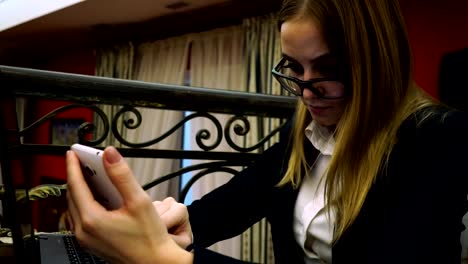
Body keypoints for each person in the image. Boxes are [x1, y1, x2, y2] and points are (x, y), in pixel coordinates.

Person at [66, 0, 468, 263]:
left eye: (328, 70)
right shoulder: (304, 128)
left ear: (379, 63)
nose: (307, 90)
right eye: (294, 68)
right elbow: (243, 196)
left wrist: (170, 259)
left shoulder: (439, 137)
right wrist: (176, 221)